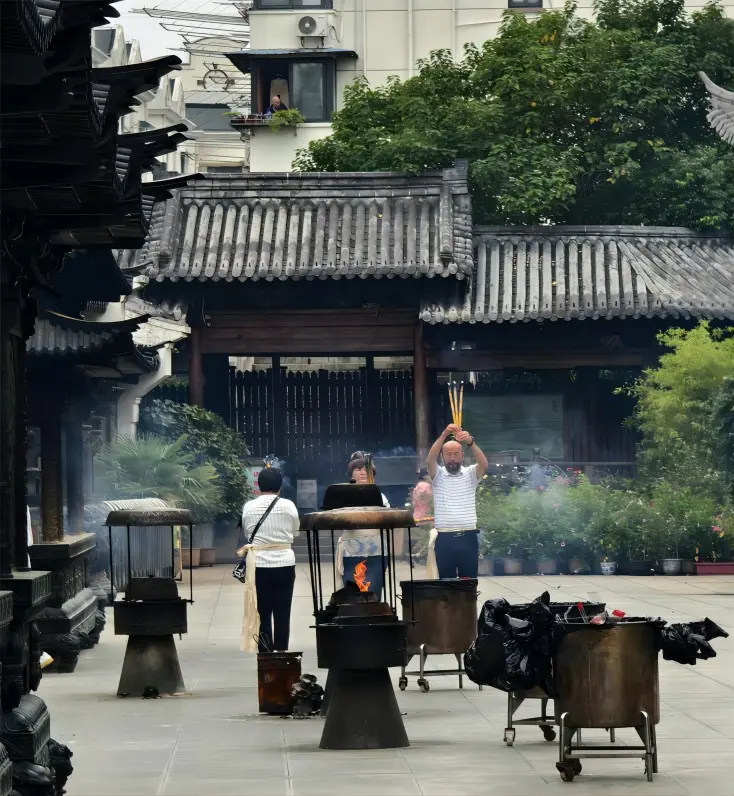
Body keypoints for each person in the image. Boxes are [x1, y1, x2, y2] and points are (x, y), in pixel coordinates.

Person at [238, 467, 300, 653]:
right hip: (284, 563)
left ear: (258, 485)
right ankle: (281, 654)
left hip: (259, 564)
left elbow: (248, 533)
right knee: (283, 613)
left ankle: (265, 654)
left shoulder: (249, 507)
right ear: (280, 486)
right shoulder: (288, 505)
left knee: (262, 613)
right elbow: (295, 531)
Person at [426, 423, 488, 579]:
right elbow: (429, 460)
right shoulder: (437, 476)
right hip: (444, 538)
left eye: (455, 454)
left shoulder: (470, 474)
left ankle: (468, 604)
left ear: (462, 456)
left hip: (468, 537)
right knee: (447, 584)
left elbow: (484, 464)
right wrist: (444, 434)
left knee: (468, 583)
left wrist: (471, 442)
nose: (452, 458)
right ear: (442, 456)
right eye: (448, 454)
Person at [336, 454, 390, 599]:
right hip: (351, 550)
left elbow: (387, 518)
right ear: (350, 474)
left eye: (366, 469)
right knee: (351, 592)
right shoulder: (343, 496)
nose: (363, 472)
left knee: (374, 591)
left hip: (376, 550)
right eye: (358, 469)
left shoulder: (381, 497)